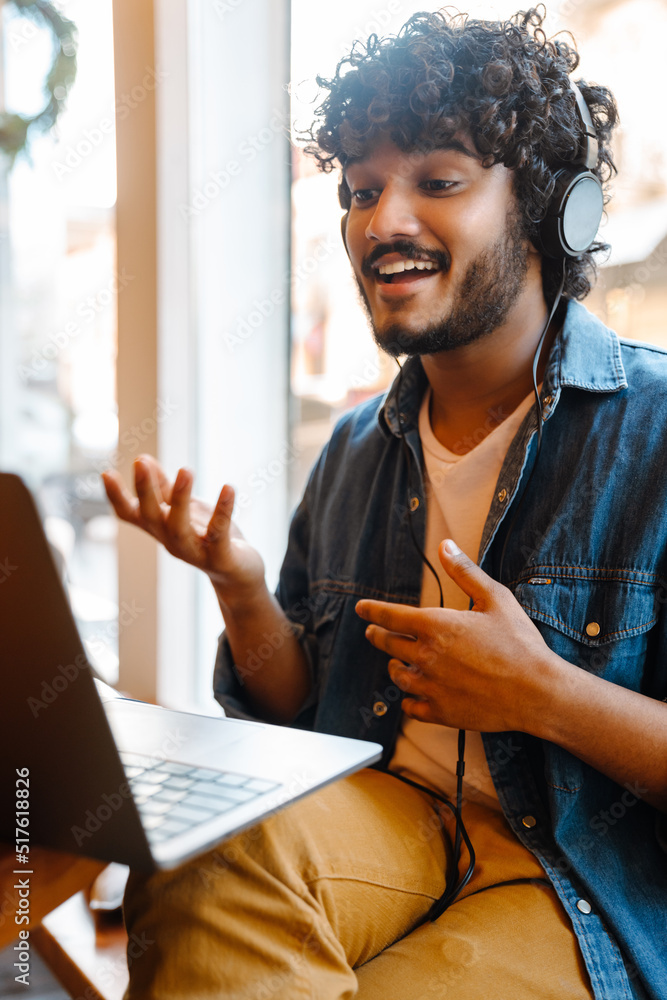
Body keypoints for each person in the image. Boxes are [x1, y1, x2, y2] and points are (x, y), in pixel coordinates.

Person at [103, 8, 667, 999]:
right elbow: (298, 710)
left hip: (576, 872)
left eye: (436, 182)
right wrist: (239, 588)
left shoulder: (656, 431)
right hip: (390, 814)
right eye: (362, 190)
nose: (381, 221)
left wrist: (542, 695)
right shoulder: (361, 446)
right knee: (203, 859)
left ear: (547, 208)